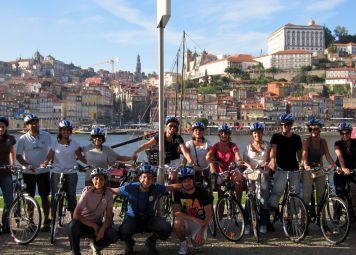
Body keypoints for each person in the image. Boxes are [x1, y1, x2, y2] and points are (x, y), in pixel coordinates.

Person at [113, 163, 182, 255]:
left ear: (153, 179)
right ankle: (129, 243)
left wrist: (186, 184)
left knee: (166, 228)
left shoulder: (156, 188)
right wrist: (93, 188)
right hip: (132, 218)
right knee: (123, 232)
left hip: (149, 218)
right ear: (140, 178)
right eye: (144, 177)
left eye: (149, 178)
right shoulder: (131, 187)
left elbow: (172, 187)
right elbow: (114, 190)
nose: (146, 180)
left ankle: (151, 241)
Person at [68, 167, 119, 255]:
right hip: (83, 224)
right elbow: (76, 215)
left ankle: (96, 246)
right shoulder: (87, 193)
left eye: (101, 179)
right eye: (96, 179)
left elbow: (109, 217)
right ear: (92, 180)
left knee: (113, 234)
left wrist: (102, 229)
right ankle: (76, 253)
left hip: (97, 224)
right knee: (72, 226)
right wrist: (93, 225)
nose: (98, 181)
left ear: (105, 181)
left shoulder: (108, 194)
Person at [42, 120, 86, 219]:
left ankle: (74, 220)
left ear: (70, 131)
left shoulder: (75, 144)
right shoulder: (55, 144)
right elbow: (49, 156)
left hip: (71, 172)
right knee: (54, 196)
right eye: (63, 130)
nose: (66, 132)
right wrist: (45, 162)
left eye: (68, 130)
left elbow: (81, 157)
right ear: (60, 131)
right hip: (57, 172)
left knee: (72, 197)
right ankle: (53, 219)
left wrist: (90, 163)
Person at [16, 114, 53, 232]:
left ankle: (46, 220)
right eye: (31, 123)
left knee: (44, 196)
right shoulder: (23, 139)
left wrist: (47, 161)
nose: (34, 125)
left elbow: (52, 150)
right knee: (29, 198)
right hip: (28, 172)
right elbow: (18, 155)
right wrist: (27, 165)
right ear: (27, 126)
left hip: (43, 171)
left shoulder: (46, 136)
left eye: (36, 122)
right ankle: (30, 221)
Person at [267, 113, 302, 216]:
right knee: (277, 191)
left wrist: (302, 163)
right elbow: (273, 151)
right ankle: (270, 213)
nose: (283, 127)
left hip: (294, 169)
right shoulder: (276, 136)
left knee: (295, 194)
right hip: (281, 168)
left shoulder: (296, 138)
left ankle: (292, 216)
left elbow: (299, 156)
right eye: (281, 125)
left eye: (286, 125)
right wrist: (272, 160)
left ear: (291, 125)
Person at [173, 167, 213, 255]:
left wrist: (202, 231)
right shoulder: (179, 193)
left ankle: (193, 239)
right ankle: (183, 244)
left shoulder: (202, 192)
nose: (187, 183)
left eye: (189, 180)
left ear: (193, 180)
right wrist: (193, 219)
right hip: (187, 220)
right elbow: (176, 212)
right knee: (177, 222)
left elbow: (209, 214)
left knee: (199, 244)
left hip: (200, 223)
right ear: (181, 183)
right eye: (184, 181)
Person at [301, 118, 336, 215]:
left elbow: (328, 156)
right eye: (310, 129)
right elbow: (304, 156)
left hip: (319, 169)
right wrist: (306, 165)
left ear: (319, 129)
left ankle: (322, 221)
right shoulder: (306, 141)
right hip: (308, 169)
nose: (313, 131)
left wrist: (334, 165)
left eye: (315, 129)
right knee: (306, 195)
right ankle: (304, 220)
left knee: (321, 196)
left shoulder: (323, 141)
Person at [242, 122, 271, 234]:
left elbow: (269, 158)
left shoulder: (267, 145)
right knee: (250, 199)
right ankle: (247, 224)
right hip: (251, 174)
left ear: (262, 133)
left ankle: (263, 223)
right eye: (255, 133)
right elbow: (245, 160)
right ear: (252, 134)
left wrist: (266, 164)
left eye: (259, 132)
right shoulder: (248, 147)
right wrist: (251, 166)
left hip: (263, 174)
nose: (257, 134)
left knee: (263, 200)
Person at [206, 123, 244, 202]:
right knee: (221, 196)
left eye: (226, 133)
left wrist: (240, 161)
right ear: (219, 134)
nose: (224, 135)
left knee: (238, 181)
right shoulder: (216, 146)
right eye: (221, 133)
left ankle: (238, 204)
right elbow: (207, 157)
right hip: (221, 173)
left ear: (229, 135)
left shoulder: (233, 145)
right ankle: (219, 213)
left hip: (231, 170)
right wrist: (215, 162)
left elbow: (237, 154)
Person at [334, 122, 356, 220]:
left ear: (350, 133)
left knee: (354, 191)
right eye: (342, 133)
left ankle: (352, 213)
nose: (344, 135)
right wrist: (343, 168)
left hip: (353, 171)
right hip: (341, 172)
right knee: (340, 194)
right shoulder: (337, 144)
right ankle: (336, 218)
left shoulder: (355, 142)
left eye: (347, 133)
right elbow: (340, 156)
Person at [0, 116, 15, 233]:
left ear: (6, 128)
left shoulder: (10, 139)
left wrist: (13, 164)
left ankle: (5, 224)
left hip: (6, 172)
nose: (1, 129)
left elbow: (11, 152)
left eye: (3, 127)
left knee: (9, 200)